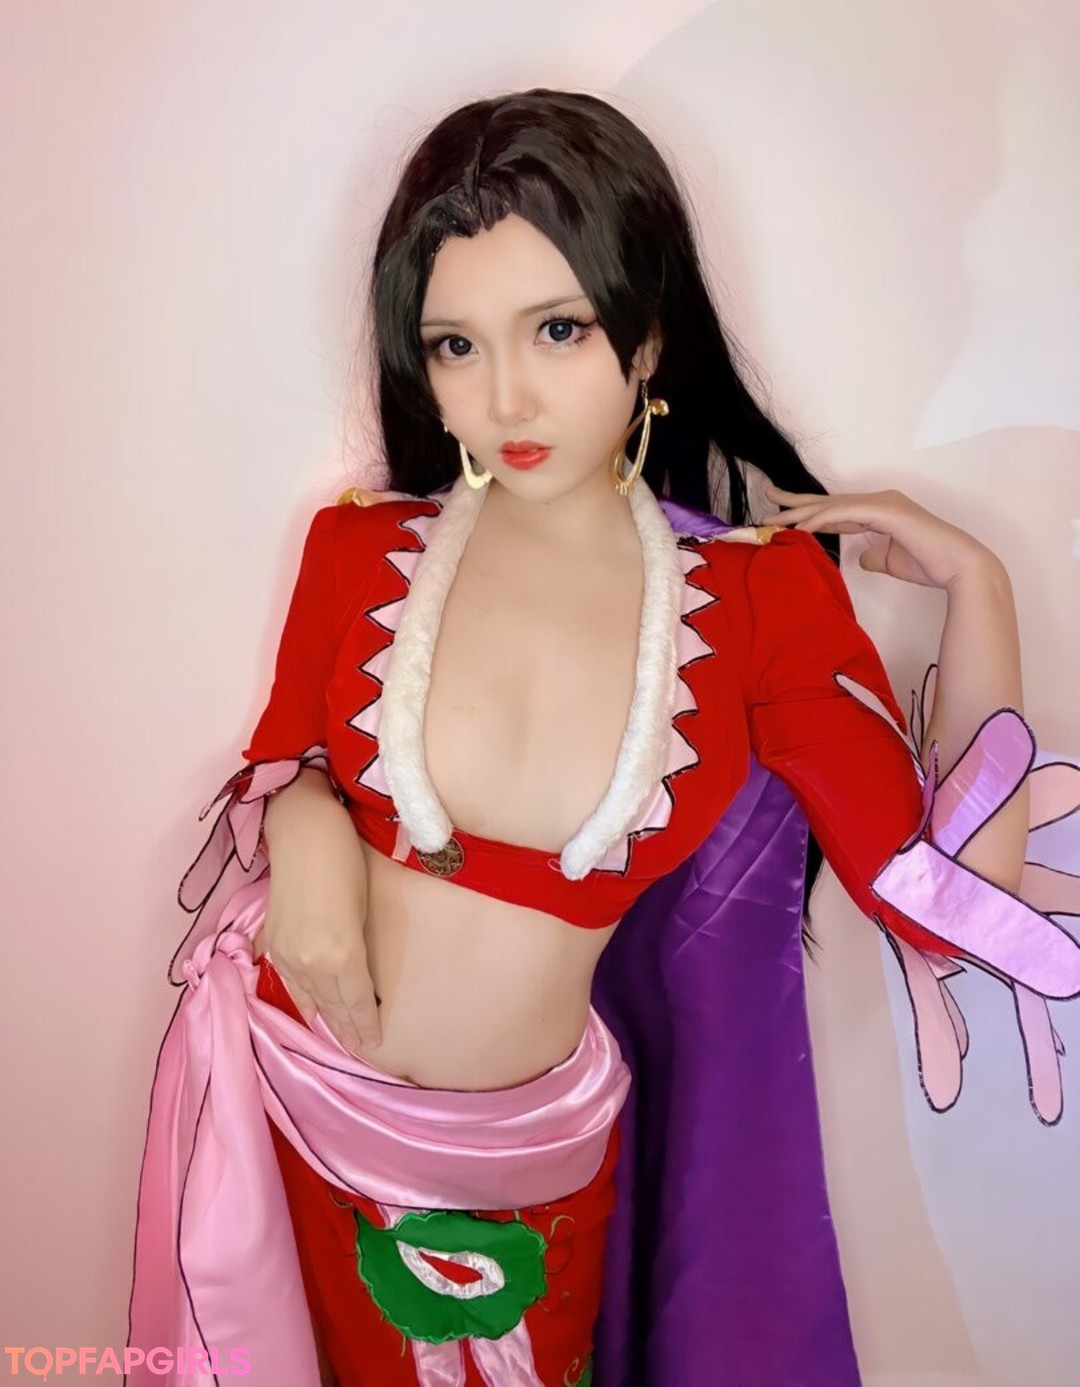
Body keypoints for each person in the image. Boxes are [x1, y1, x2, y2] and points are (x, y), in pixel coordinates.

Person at [127, 89, 1080, 1387]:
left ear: (647, 342)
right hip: (290, 1096)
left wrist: (981, 583)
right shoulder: (354, 550)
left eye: (558, 330)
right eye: (455, 346)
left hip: (527, 1171)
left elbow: (947, 900)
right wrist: (304, 834)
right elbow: (287, 762)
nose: (505, 395)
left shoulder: (757, 600)